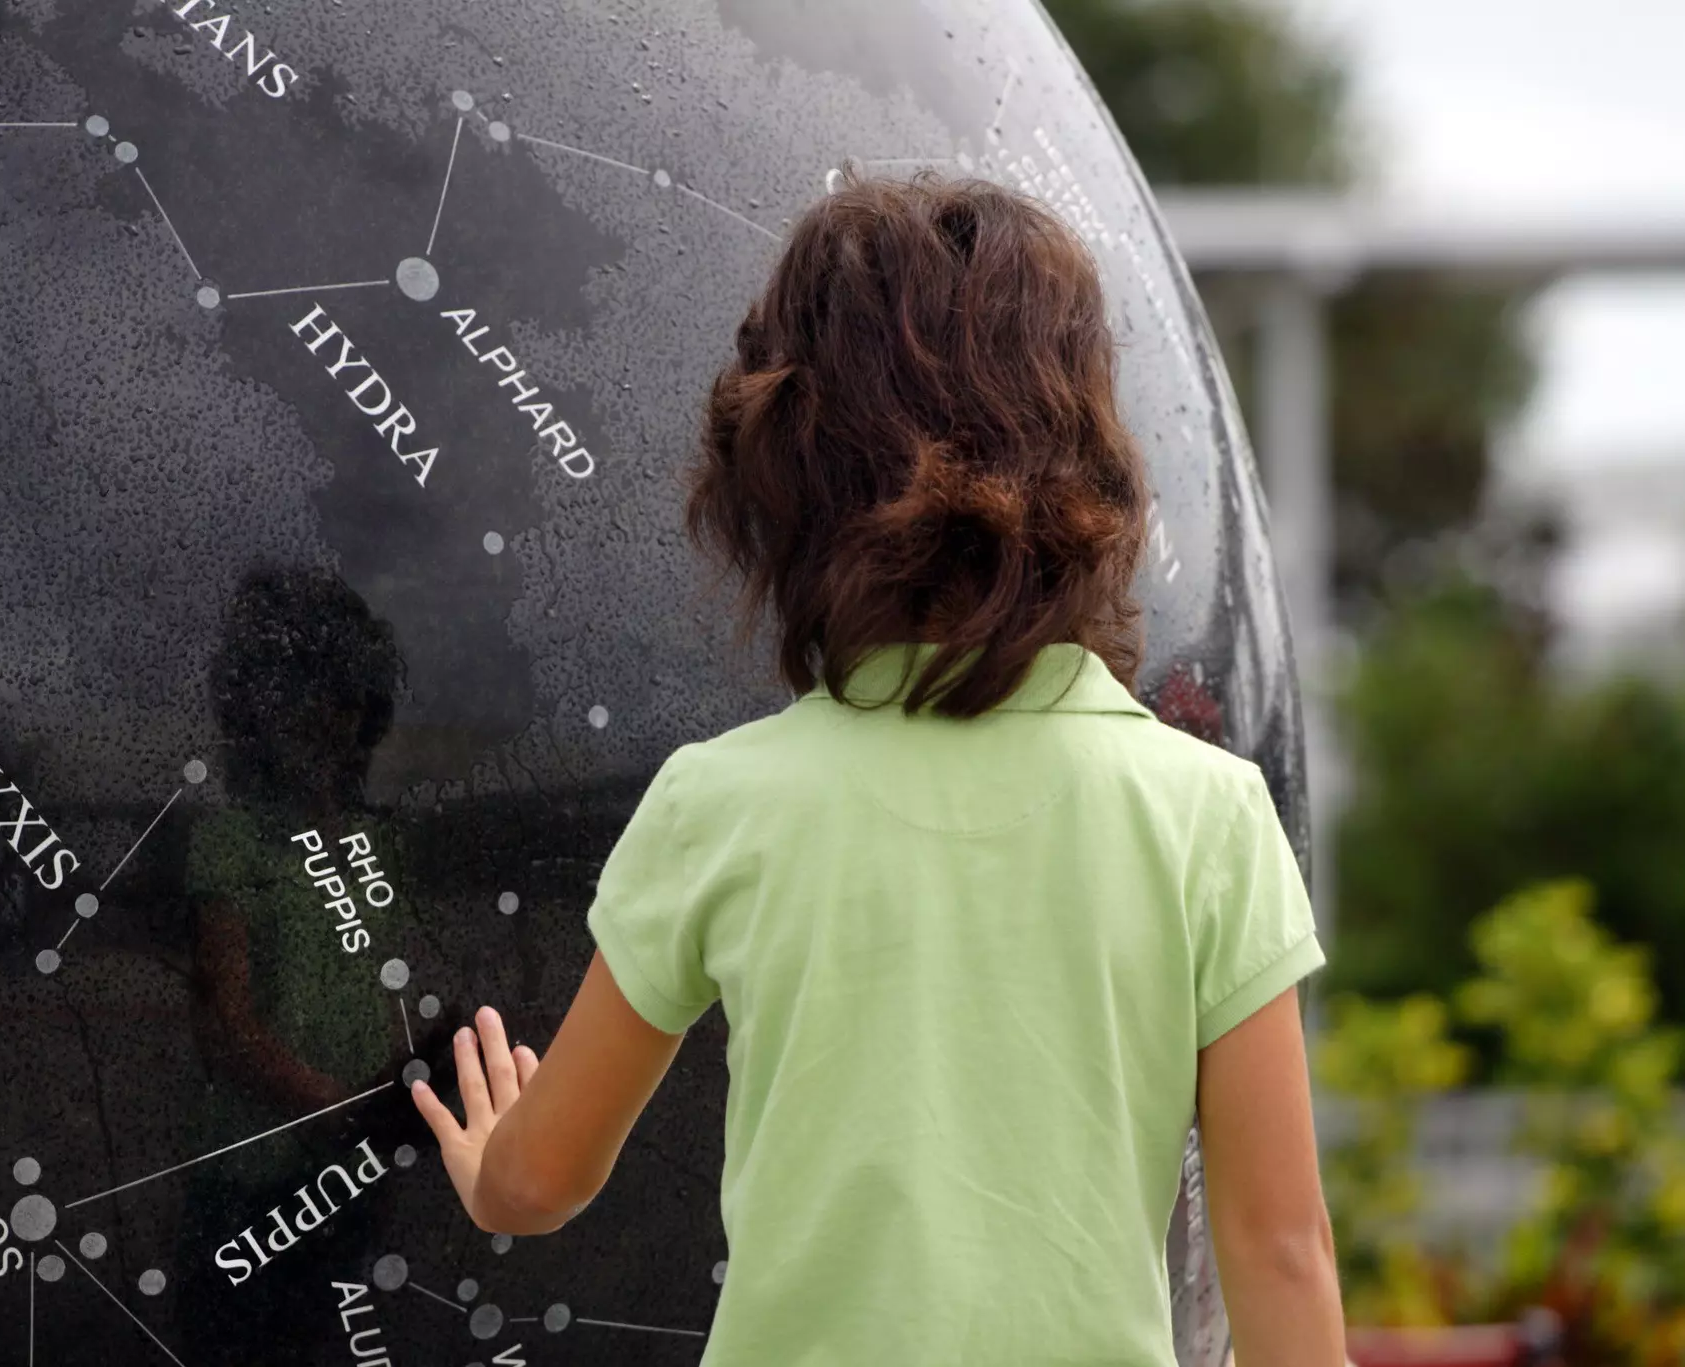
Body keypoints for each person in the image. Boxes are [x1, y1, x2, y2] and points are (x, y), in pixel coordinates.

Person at [410, 170, 1348, 1366]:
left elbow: (540, 1180)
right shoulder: (1207, 812)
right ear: (1089, 456)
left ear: (781, 469)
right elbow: (1278, 1251)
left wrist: (491, 1166)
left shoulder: (719, 801)